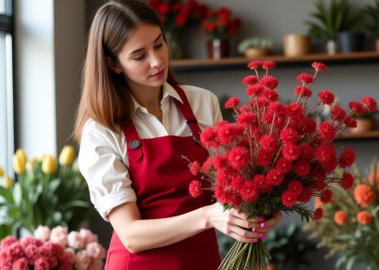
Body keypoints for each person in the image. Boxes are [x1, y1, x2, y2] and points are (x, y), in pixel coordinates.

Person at [73, 0, 282, 269]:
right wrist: (208, 217)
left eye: (159, 44)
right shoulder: (101, 129)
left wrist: (260, 209)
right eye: (139, 56)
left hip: (203, 261)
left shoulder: (202, 103)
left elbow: (228, 192)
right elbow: (131, 235)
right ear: (113, 64)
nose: (156, 61)